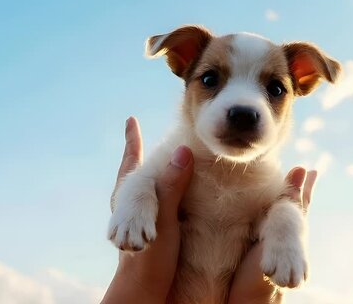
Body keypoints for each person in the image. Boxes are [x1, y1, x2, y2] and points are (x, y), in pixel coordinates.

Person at [102, 117, 317, 304]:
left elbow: (272, 218)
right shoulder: (172, 155)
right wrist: (137, 191)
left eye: (274, 89)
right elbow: (143, 184)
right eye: (210, 79)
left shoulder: (267, 181)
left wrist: (287, 225)